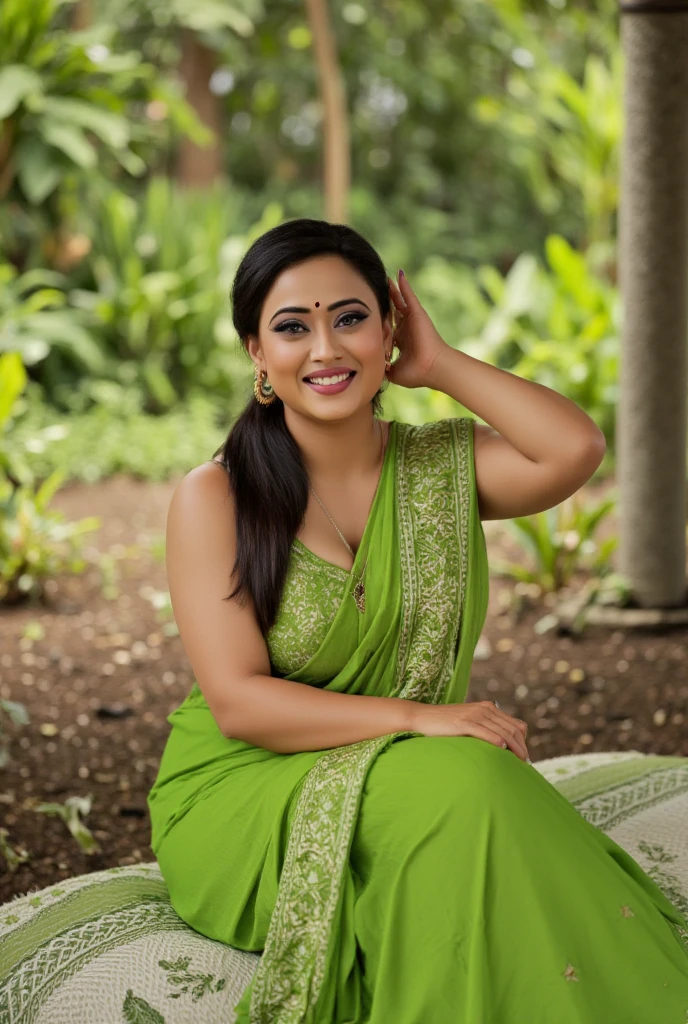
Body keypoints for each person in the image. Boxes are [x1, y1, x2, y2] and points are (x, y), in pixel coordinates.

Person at [146, 218, 688, 1023]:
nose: (325, 348)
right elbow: (240, 703)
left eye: (350, 317)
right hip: (244, 788)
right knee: (470, 776)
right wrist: (420, 719)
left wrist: (439, 367)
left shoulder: (442, 467)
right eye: (292, 327)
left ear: (389, 328)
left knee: (477, 786)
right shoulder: (217, 496)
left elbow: (572, 450)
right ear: (258, 355)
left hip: (416, 767)